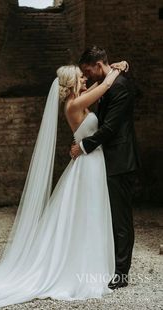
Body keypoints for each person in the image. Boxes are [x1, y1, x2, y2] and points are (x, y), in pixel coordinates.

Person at [0, 61, 127, 308]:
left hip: (92, 162)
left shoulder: (80, 98)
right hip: (87, 165)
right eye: (81, 77)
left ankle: (92, 265)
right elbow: (105, 85)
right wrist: (120, 66)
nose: (85, 79)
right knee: (86, 213)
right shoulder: (75, 104)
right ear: (72, 84)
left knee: (91, 213)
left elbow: (97, 84)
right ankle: (78, 269)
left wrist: (107, 72)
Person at [71, 46, 141, 290]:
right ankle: (110, 265)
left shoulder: (120, 86)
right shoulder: (109, 83)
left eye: (88, 70)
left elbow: (110, 128)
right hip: (108, 161)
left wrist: (84, 146)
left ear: (99, 65)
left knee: (121, 220)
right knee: (110, 217)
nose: (87, 75)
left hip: (121, 161)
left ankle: (121, 274)